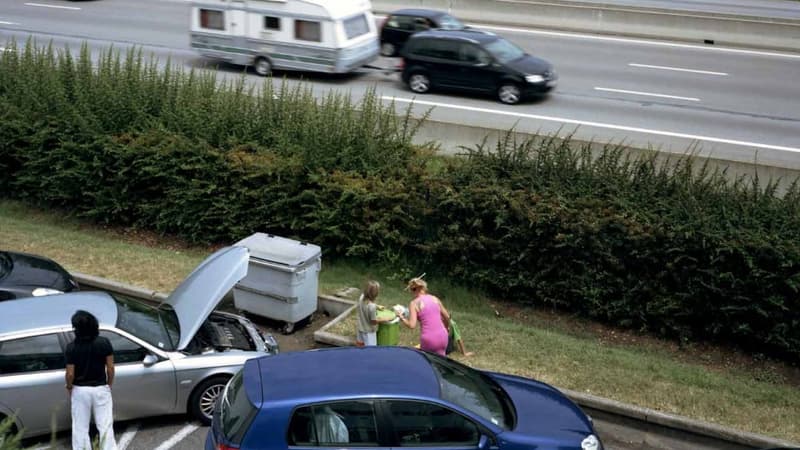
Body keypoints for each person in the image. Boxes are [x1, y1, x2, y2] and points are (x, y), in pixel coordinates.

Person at [65, 310, 117, 450]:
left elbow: (70, 374)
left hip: (80, 390)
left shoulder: (71, 348)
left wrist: (69, 387)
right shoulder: (104, 343)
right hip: (101, 388)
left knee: (80, 427)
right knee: (105, 425)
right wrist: (109, 384)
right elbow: (110, 368)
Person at [396, 277, 450, 356]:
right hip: (443, 336)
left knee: (427, 363)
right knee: (441, 362)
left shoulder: (414, 303)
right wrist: (446, 327)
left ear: (414, 290)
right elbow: (447, 317)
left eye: (412, 290)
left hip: (429, 339)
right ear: (424, 288)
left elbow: (412, 325)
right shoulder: (434, 298)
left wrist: (402, 318)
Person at [355, 280, 393, 346]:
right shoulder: (371, 307)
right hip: (368, 332)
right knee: (371, 349)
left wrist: (377, 306)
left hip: (360, 327)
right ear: (375, 294)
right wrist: (384, 319)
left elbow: (366, 304)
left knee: (360, 345)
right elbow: (373, 321)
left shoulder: (362, 297)